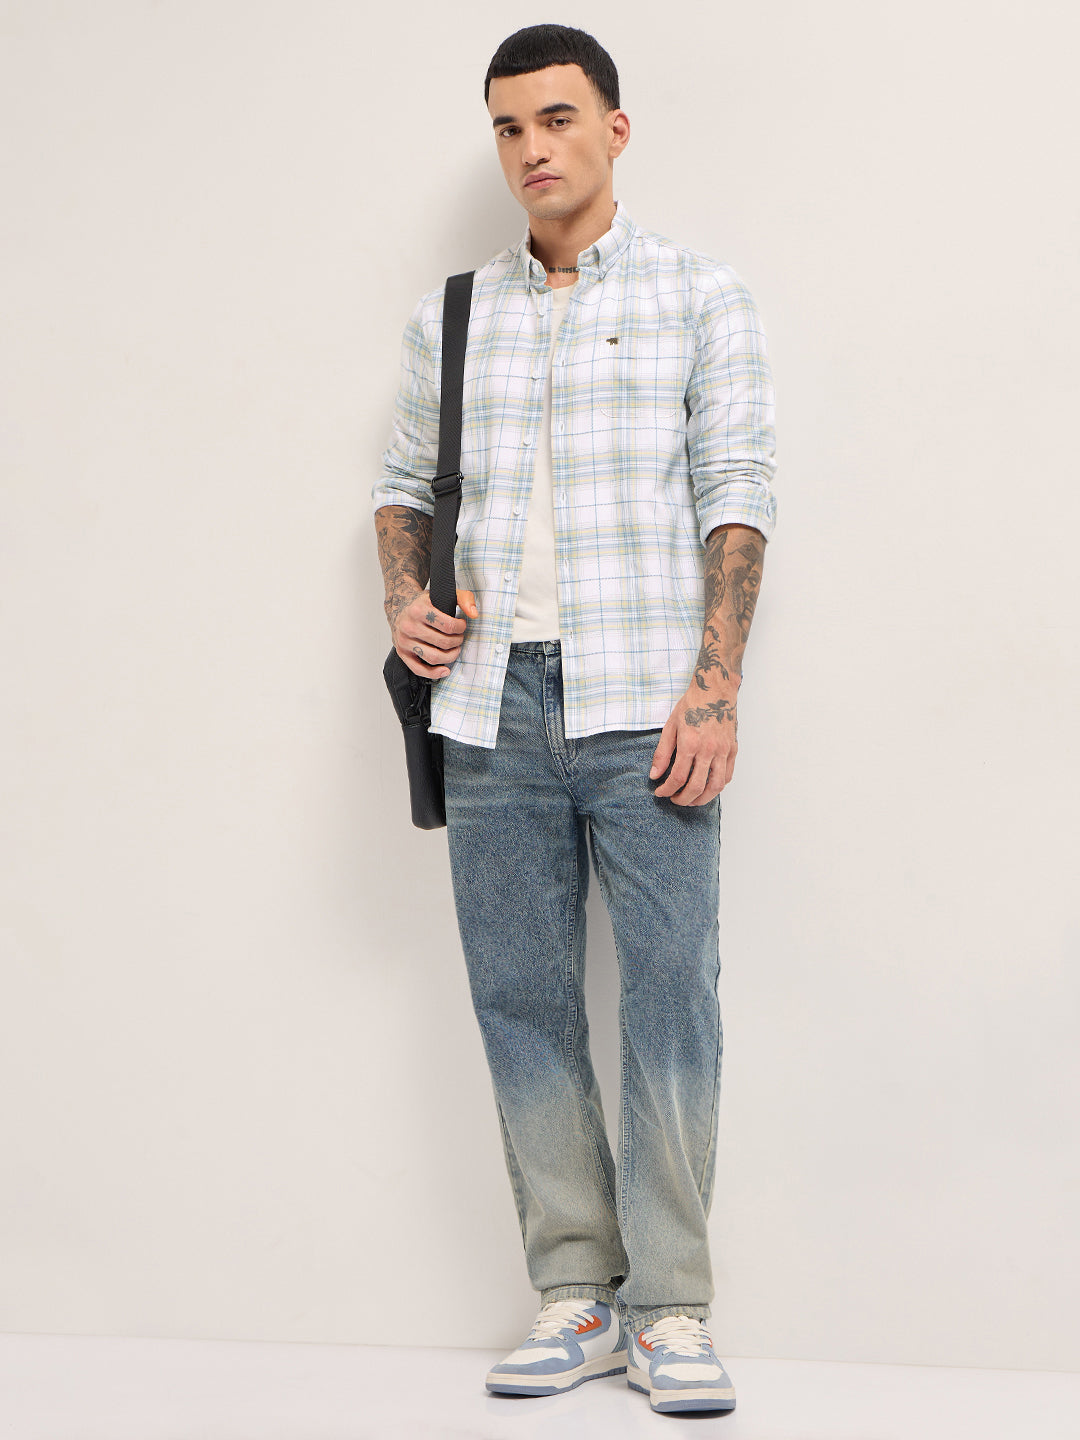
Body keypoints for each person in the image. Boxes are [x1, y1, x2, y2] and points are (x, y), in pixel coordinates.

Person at [372, 23, 777, 1417]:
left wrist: (716, 683)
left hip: (644, 700)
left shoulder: (699, 295)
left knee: (671, 998)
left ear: (615, 126)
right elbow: (399, 486)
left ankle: (671, 1309)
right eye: (508, 127)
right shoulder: (454, 314)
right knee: (521, 1000)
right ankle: (577, 1296)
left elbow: (738, 491)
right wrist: (406, 601)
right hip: (488, 704)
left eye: (556, 118)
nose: (531, 148)